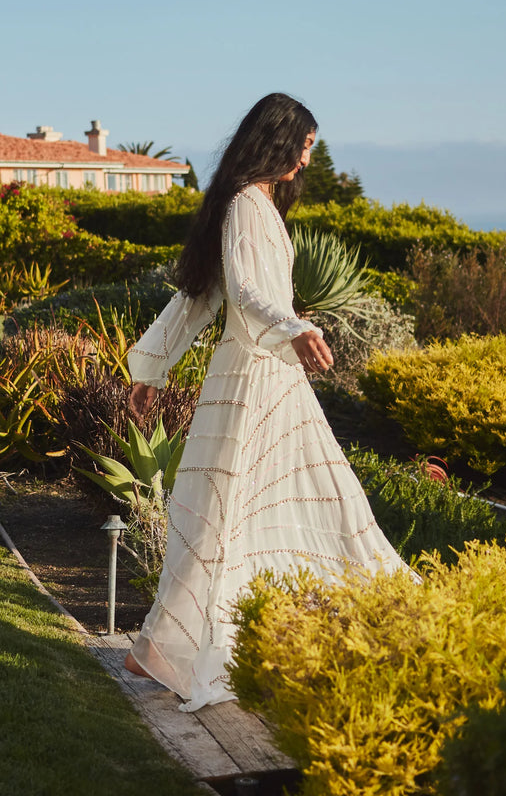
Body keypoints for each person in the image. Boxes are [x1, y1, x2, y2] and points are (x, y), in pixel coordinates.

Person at [124, 93, 412, 712]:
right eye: (305, 145)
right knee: (258, 509)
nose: (308, 159)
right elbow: (243, 293)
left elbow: (200, 298)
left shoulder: (243, 204)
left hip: (261, 378)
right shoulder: (247, 207)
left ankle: (157, 649)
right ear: (279, 141)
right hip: (258, 380)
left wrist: (153, 367)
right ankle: (173, 649)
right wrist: (294, 327)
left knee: (232, 510)